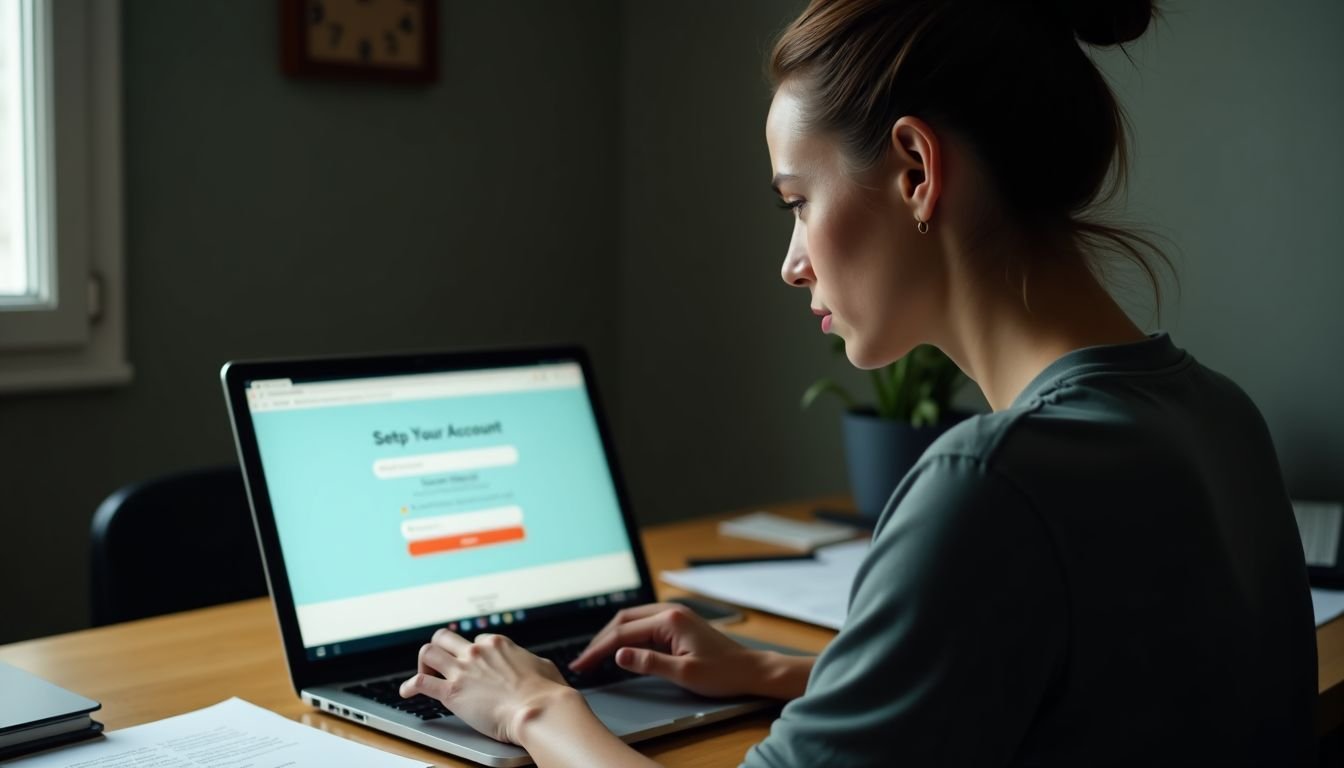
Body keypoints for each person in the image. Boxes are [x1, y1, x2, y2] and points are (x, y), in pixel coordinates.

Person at [398, 0, 1318, 764]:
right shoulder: (1218, 416)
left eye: (798, 203)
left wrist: (529, 706)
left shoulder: (994, 483)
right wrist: (776, 671)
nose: (791, 263)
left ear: (916, 171)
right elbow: (1087, 699)